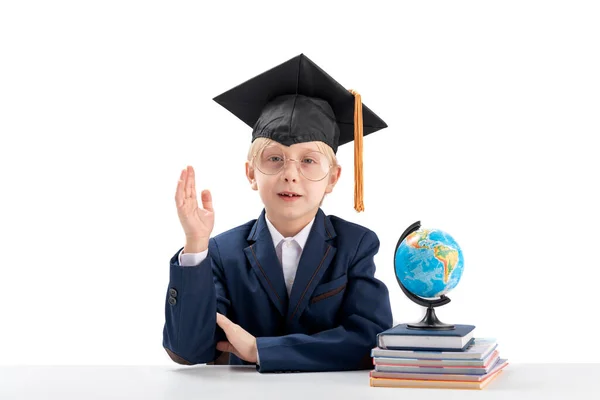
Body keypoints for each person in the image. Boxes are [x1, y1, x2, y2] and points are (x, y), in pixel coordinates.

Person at [163, 54, 393, 373]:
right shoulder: (221, 253)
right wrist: (195, 244)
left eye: (309, 160)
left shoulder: (355, 245)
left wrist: (261, 350)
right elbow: (188, 350)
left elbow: (370, 341)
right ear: (251, 174)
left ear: (334, 178)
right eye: (274, 159)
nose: (290, 174)